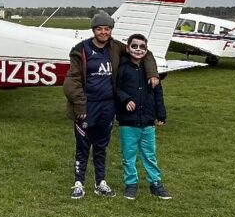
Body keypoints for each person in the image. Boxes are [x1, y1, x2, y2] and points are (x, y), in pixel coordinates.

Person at [63, 12, 158, 200]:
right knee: (83, 145)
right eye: (99, 29)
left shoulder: (115, 47)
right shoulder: (80, 50)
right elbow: (71, 81)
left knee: (101, 145)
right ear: (93, 30)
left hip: (108, 106)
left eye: (107, 29)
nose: (103, 32)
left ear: (111, 30)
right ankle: (79, 183)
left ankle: (100, 183)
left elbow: (143, 52)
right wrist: (80, 107)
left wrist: (152, 73)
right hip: (88, 105)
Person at [115, 33, 172, 200]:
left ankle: (156, 183)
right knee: (129, 155)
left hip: (147, 121)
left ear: (146, 50)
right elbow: (116, 89)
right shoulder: (123, 69)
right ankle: (131, 184)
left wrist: (161, 114)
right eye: (134, 46)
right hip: (128, 121)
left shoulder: (152, 74)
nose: (138, 50)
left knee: (150, 155)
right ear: (128, 48)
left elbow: (158, 94)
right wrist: (125, 99)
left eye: (142, 47)